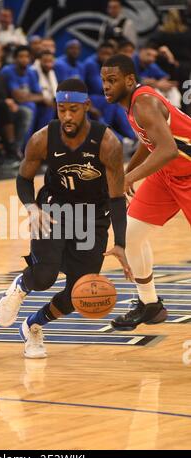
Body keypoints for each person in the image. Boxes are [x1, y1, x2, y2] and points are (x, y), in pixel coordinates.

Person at [0, 78, 132, 358]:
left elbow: (118, 198)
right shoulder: (43, 138)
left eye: (73, 109)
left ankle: (33, 326)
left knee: (79, 293)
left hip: (93, 216)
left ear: (86, 106)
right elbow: (23, 179)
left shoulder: (108, 142)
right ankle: (22, 286)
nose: (67, 116)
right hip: (53, 209)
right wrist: (31, 208)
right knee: (45, 275)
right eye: (61, 109)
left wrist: (120, 242)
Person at [101, 54, 191, 330]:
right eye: (104, 81)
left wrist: (128, 177)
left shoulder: (144, 103)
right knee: (131, 235)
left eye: (112, 80)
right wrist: (131, 170)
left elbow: (167, 149)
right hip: (167, 174)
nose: (106, 86)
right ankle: (150, 304)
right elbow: (150, 141)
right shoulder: (131, 104)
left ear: (130, 80)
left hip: (187, 173)